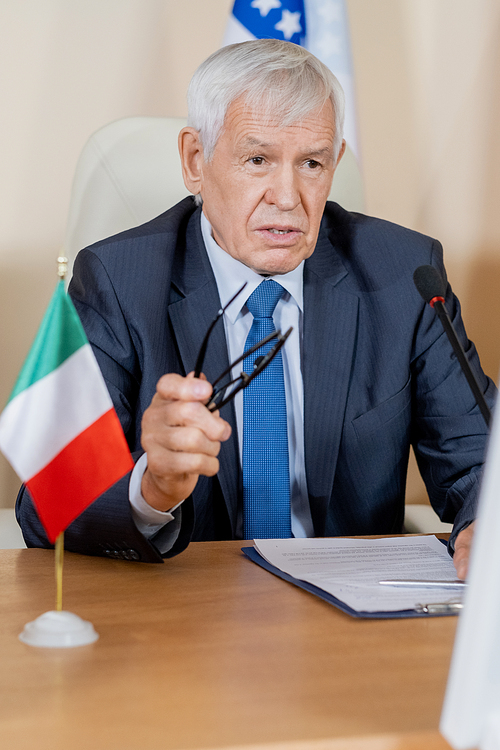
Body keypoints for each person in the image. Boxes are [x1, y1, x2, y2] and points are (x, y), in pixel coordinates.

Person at [17, 39, 494, 577]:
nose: (287, 196)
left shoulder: (404, 273)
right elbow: (47, 506)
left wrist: (487, 521)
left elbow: (479, 460)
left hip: (349, 618)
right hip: (184, 614)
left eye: (311, 163)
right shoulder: (120, 281)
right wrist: (153, 488)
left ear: (335, 163)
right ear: (195, 161)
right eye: (257, 159)